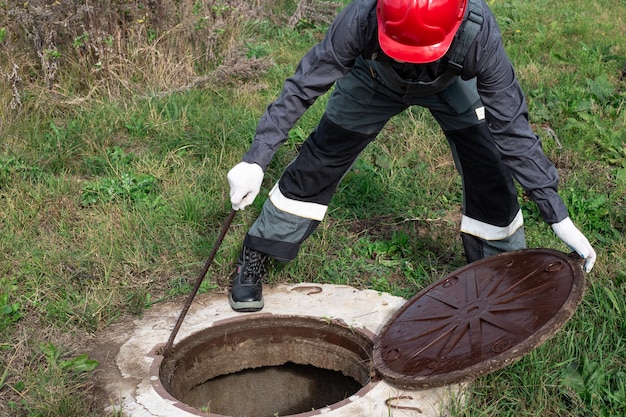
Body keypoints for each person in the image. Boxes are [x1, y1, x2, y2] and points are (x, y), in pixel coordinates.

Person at [225, 0, 597, 312]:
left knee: (489, 165)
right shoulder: (361, 17)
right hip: (374, 80)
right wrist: (255, 159)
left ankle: (496, 270)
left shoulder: (480, 32)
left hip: (452, 83)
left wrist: (556, 214)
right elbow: (304, 85)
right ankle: (256, 252)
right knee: (322, 156)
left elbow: (511, 127)